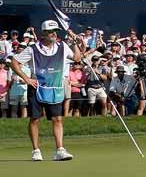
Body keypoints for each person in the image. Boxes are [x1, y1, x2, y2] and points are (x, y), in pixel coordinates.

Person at [10, 19, 88, 161]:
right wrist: (27, 79)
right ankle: (36, 150)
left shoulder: (63, 46)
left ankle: (60, 150)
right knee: (35, 119)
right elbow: (14, 62)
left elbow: (77, 58)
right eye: (50, 31)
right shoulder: (32, 49)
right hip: (37, 87)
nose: (53, 34)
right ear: (44, 33)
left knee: (57, 119)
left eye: (55, 31)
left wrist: (75, 43)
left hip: (55, 88)